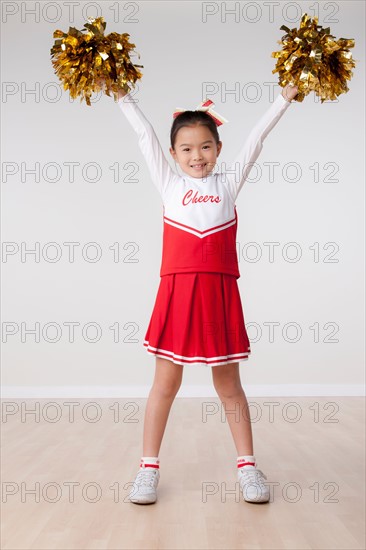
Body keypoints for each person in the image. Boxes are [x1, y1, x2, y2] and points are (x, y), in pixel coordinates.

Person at [115, 82, 298, 504]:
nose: (196, 156)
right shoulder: (168, 184)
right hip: (178, 291)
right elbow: (144, 134)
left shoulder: (229, 183)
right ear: (174, 153)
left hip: (217, 292)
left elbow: (257, 137)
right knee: (164, 384)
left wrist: (284, 98)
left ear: (218, 147)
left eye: (205, 147)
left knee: (229, 385)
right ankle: (147, 469)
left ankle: (248, 467)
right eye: (186, 149)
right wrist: (121, 95)